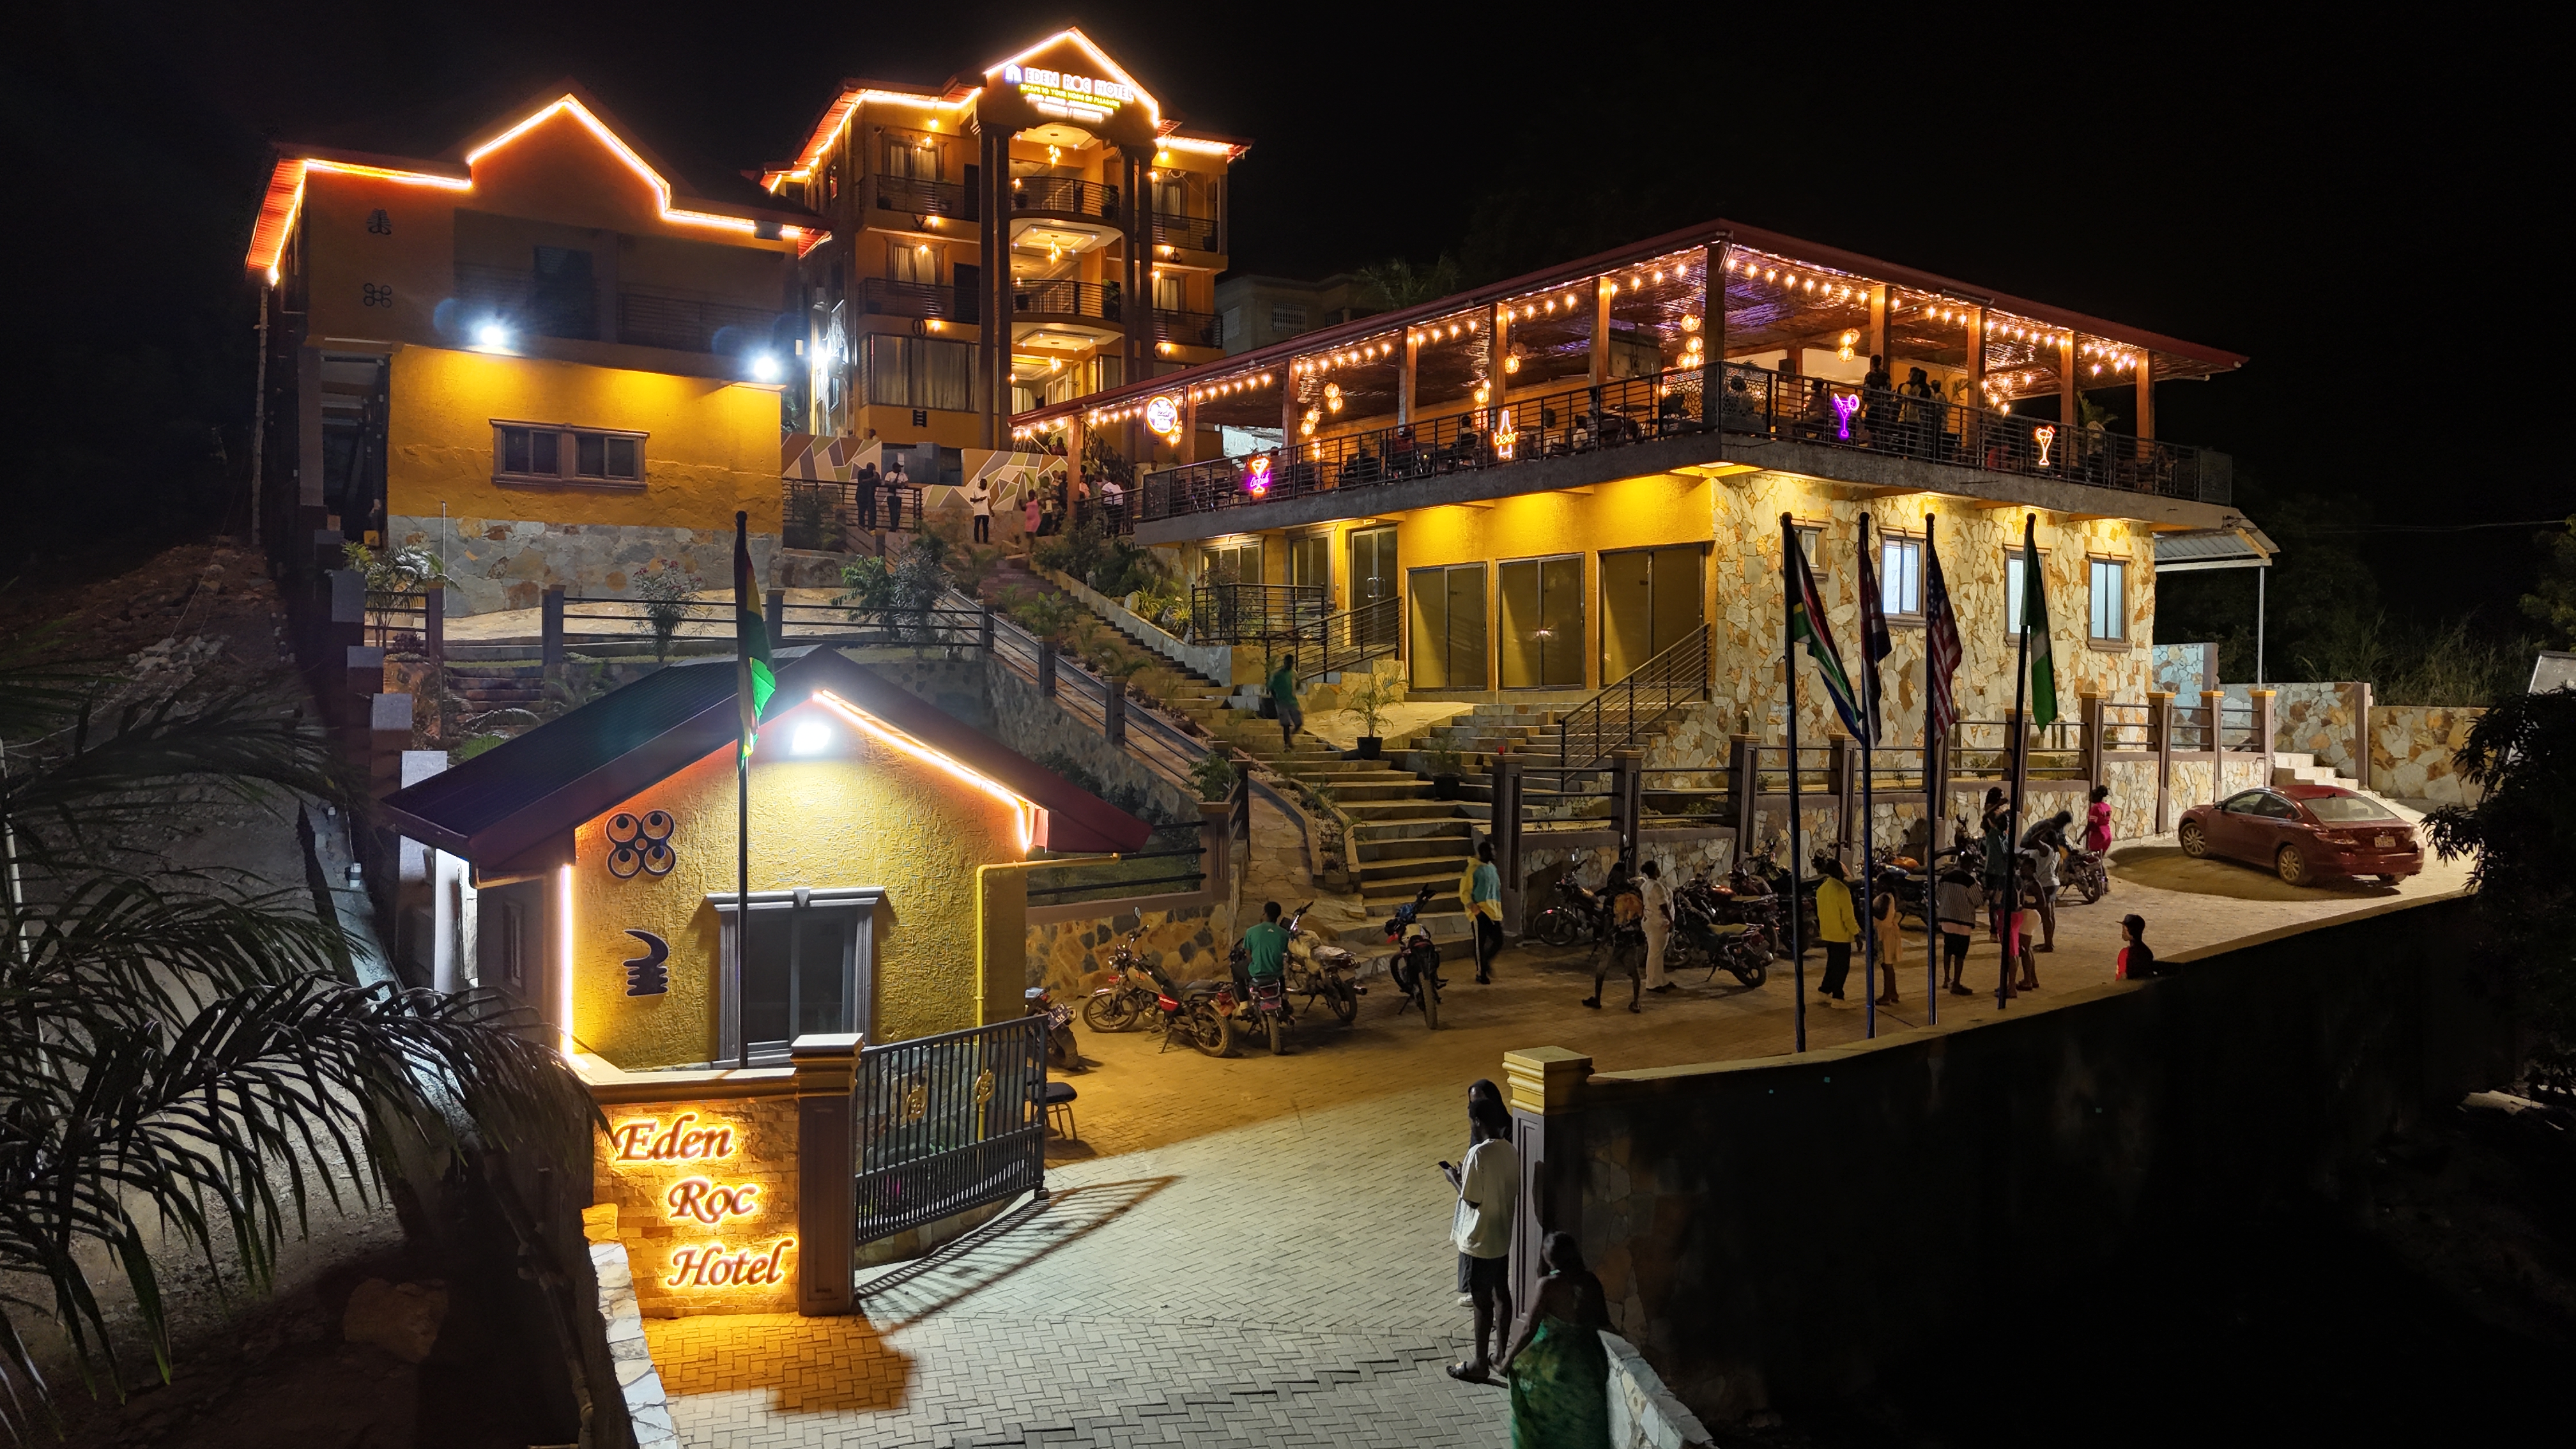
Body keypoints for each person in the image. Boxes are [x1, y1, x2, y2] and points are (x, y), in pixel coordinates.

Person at [1498, 1232, 1613, 1449]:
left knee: (1547, 1423)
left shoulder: (1548, 1285)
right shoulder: (1591, 1282)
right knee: (1584, 1426)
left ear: (1549, 1258)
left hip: (1555, 1366)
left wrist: (1508, 1360)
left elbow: (1529, 1329)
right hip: (1589, 1362)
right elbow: (1603, 1321)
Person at [1443, 1086, 1519, 1383]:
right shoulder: (1510, 1149)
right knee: (1503, 1293)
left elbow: (1472, 1199)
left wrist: (1454, 1180)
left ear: (1476, 1122)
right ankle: (1501, 1356)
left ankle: (1479, 1363)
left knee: (1481, 1302)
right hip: (1502, 1235)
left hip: (1480, 1239)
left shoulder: (1478, 1153)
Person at [1455, 1080, 1506, 1304]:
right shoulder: (1479, 1135)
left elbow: (1473, 1199)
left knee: (1490, 1287)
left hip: (1490, 1218)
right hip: (1491, 1213)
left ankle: (1482, 1302)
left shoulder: (1499, 1140)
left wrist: (1456, 1182)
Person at [1582, 871, 1646, 1013]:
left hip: (1615, 939)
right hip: (1632, 938)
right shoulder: (1636, 892)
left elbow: (1608, 919)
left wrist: (1604, 938)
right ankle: (1636, 1003)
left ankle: (1597, 999)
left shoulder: (1612, 897)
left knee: (1601, 970)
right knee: (1634, 972)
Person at [1814, 856, 1857, 1000]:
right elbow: (1848, 918)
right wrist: (1857, 933)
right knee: (1841, 968)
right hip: (1841, 935)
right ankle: (1838, 997)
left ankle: (1825, 990)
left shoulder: (1822, 889)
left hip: (1828, 933)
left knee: (1832, 965)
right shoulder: (1842, 890)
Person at [1936, 866, 1978, 996]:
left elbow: (1938, 895)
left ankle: (1946, 979)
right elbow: (1978, 900)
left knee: (1948, 950)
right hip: (1963, 922)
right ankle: (1956, 984)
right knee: (1960, 955)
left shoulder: (1945, 877)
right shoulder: (1969, 880)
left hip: (1947, 920)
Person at [1239, 900, 1291, 1002]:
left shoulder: (1251, 931)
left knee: (1236, 969)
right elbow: (1285, 953)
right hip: (1276, 973)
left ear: (1265, 913)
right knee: (1281, 977)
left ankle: (1243, 1004)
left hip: (1257, 972)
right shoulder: (1284, 934)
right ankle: (1284, 1001)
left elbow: (1249, 957)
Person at [1469, 840, 1505, 985]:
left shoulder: (1492, 868)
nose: (1494, 853)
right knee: (1480, 944)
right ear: (1484, 853)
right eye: (1491, 850)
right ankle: (1481, 973)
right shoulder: (1473, 870)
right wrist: (1475, 909)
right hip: (1480, 912)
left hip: (1493, 912)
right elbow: (1465, 892)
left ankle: (1485, 962)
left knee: (1499, 940)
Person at [1639, 859, 1674, 994]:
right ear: (1655, 871)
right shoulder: (1656, 887)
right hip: (1659, 923)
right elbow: (1663, 906)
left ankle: (1660, 980)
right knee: (1655, 953)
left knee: (1658, 952)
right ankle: (1652, 983)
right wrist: (1671, 921)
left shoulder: (1645, 885)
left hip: (1649, 920)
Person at [1872, 887, 1903, 1006]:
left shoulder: (1885, 897)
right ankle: (1893, 993)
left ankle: (1886, 996)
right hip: (1887, 931)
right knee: (1888, 965)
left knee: (1887, 965)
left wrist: (1870, 908)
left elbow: (1882, 915)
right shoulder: (1890, 896)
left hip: (1884, 933)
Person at [1265, 656, 1302, 751]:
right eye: (1288, 662)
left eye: (1291, 662)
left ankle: (1290, 738)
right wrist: (1276, 699)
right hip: (1281, 702)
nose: (1290, 664)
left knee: (1299, 723)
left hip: (1293, 701)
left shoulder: (1294, 673)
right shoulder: (1277, 675)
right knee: (1286, 725)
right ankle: (1286, 745)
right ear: (1285, 662)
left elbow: (1298, 684)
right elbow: (1271, 688)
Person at [2116, 914, 2157, 979]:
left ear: (2130, 932)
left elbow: (2123, 977)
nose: (2122, 932)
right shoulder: (2147, 951)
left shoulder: (2125, 953)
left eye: (2124, 929)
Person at [2084, 784, 2115, 855]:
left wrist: (2081, 836)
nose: (2090, 798)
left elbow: (2091, 825)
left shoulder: (2096, 808)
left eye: (2091, 796)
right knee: (2100, 860)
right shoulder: (2108, 807)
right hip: (2107, 835)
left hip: (2098, 836)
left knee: (2094, 860)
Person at [881, 454, 910, 532]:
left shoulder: (903, 475)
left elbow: (907, 483)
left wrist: (902, 485)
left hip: (898, 495)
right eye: (899, 467)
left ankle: (895, 525)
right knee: (892, 511)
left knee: (897, 511)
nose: (900, 468)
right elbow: (886, 483)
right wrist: (895, 485)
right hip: (891, 494)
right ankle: (893, 525)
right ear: (894, 468)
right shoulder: (889, 474)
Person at [964, 476, 993, 543]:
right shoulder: (975, 490)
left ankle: (985, 540)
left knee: (985, 527)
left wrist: (991, 510)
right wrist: (979, 499)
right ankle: (976, 540)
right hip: (978, 511)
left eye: (986, 485)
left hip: (985, 512)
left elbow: (988, 501)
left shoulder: (987, 491)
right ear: (981, 484)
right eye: (984, 485)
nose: (985, 487)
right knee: (977, 526)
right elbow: (971, 499)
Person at [853, 461, 880, 532]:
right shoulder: (862, 472)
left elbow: (878, 482)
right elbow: (861, 482)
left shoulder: (875, 475)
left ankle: (872, 528)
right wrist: (872, 479)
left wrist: (875, 475)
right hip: (861, 495)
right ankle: (861, 527)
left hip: (871, 496)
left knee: (873, 513)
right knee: (861, 513)